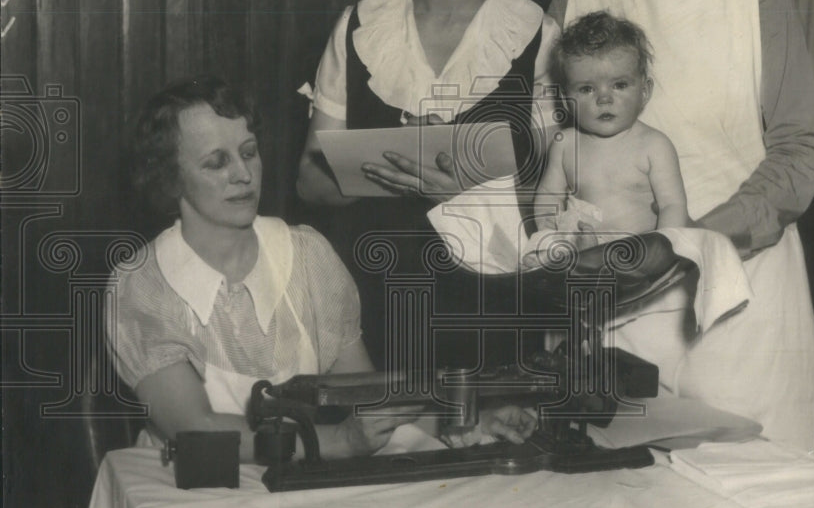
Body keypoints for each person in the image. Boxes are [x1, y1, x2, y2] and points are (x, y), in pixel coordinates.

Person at [549, 0, 814, 453]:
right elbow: (552, 154)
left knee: (750, 494)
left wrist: (691, 243)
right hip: (618, 310)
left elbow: (802, 150)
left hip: (741, 301)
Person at [106, 76, 535, 463]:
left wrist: (463, 422)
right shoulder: (143, 282)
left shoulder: (306, 255)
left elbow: (367, 397)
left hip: (295, 479)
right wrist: (337, 442)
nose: (243, 174)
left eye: (249, 153)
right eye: (216, 163)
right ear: (170, 179)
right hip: (192, 483)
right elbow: (194, 430)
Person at [297, 0, 559, 371]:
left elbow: (560, 194)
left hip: (493, 306)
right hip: (373, 306)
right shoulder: (359, 25)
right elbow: (308, 181)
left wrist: (473, 188)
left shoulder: (535, 32)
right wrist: (391, 168)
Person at [526, 11, 688, 267]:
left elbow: (672, 205)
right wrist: (547, 226)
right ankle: (565, 259)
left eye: (619, 85)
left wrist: (663, 248)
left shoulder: (654, 146)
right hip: (576, 245)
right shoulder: (565, 144)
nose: (604, 99)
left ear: (644, 91)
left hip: (635, 253)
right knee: (540, 250)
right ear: (567, 100)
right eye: (587, 89)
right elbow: (548, 193)